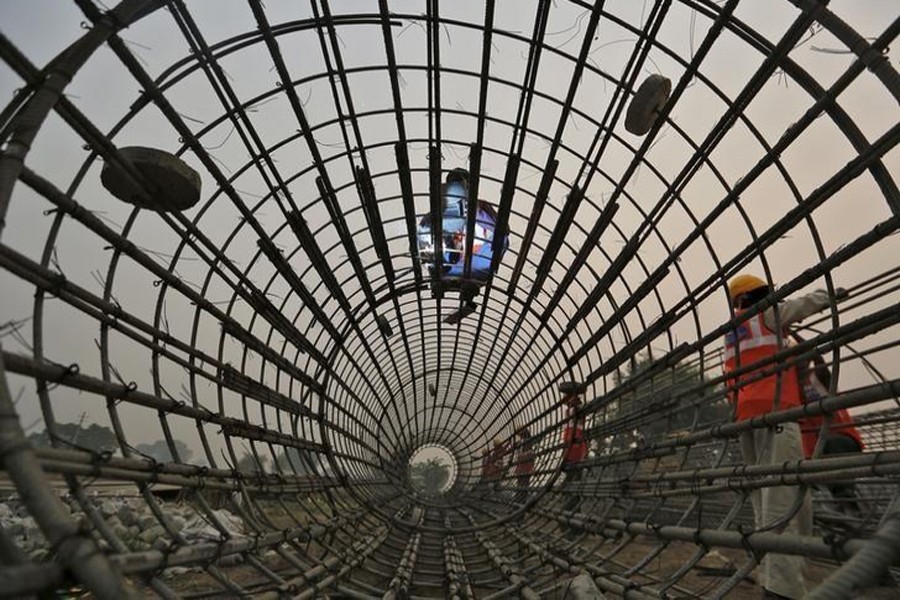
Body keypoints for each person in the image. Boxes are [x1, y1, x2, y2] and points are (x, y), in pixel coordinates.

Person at [723, 274, 844, 600]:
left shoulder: (733, 332)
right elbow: (802, 305)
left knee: (767, 501)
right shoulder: (766, 315)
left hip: (746, 420)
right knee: (786, 503)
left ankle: (771, 579)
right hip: (777, 414)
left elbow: (729, 384)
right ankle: (781, 590)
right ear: (757, 297)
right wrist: (832, 293)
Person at [792, 338, 864, 515]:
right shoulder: (790, 390)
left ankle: (846, 502)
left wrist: (798, 338)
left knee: (831, 447)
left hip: (841, 440)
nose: (799, 363)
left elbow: (821, 365)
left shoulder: (817, 378)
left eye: (801, 358)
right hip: (813, 452)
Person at [560, 383, 588, 539]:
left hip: (574, 454)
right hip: (573, 453)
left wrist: (566, 456)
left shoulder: (576, 409)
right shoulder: (571, 410)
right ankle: (573, 526)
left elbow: (573, 436)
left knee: (572, 490)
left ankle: (572, 527)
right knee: (572, 490)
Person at [513, 427, 535, 502]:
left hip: (523, 468)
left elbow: (523, 455)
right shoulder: (525, 442)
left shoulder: (523, 442)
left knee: (522, 484)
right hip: (524, 468)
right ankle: (520, 500)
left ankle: (520, 500)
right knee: (523, 485)